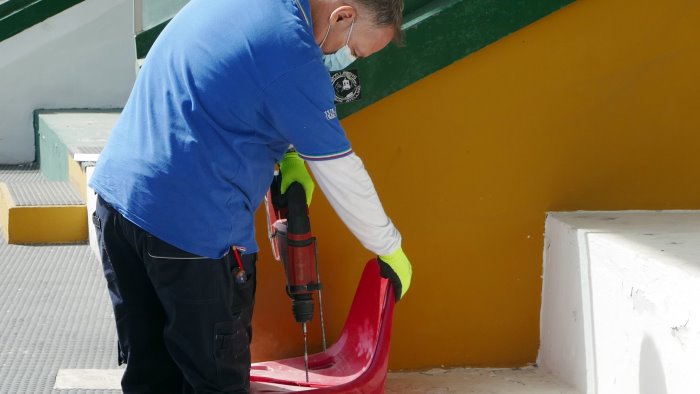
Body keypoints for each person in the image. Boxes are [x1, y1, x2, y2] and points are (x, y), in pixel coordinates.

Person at [89, 0, 412, 392]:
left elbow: (235, 81)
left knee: (153, 374)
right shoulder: (293, 52)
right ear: (342, 16)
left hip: (119, 205)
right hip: (192, 233)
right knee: (215, 381)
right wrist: (389, 248)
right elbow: (341, 171)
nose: (343, 60)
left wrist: (289, 155)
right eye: (354, 50)